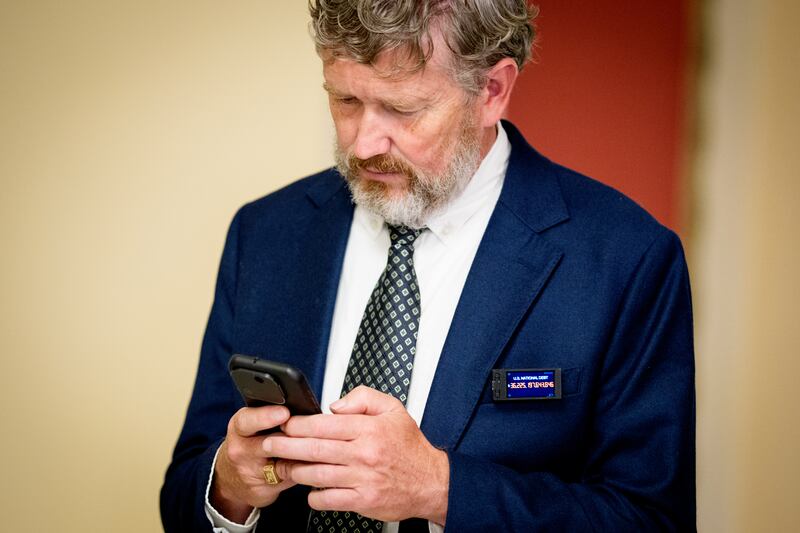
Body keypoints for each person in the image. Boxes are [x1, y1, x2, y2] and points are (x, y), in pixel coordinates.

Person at [161, 1, 696, 531]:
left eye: (403, 109)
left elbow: (651, 520)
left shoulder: (627, 259)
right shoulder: (266, 234)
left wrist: (440, 489)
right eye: (345, 99)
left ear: (492, 91)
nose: (363, 144)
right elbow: (184, 491)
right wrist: (229, 485)